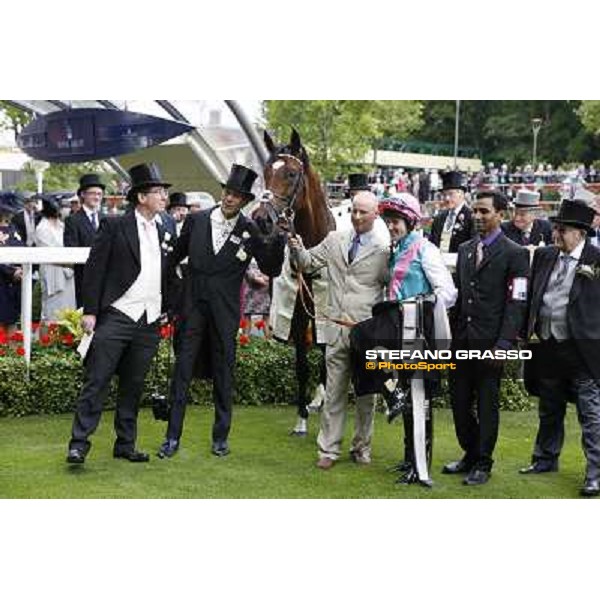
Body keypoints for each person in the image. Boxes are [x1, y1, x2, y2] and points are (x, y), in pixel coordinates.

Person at [156, 164, 285, 460]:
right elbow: (173, 260)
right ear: (222, 192)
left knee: (224, 374)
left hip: (225, 313)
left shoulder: (249, 230)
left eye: (237, 196)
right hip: (192, 309)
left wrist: (277, 237)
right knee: (182, 372)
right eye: (228, 192)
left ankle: (220, 438)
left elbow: (270, 268)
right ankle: (171, 437)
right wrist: (174, 301)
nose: (230, 198)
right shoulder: (196, 220)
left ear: (243, 201)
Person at [66, 163, 173, 465]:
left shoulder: (166, 226)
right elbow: (95, 269)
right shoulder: (114, 225)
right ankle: (78, 444)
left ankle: (125, 444)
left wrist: (168, 308)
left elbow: (167, 273)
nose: (164, 196)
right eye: (158, 192)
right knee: (97, 380)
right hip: (117, 315)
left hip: (149, 320)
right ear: (141, 197)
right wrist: (90, 312)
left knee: (133, 385)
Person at [289, 191, 389, 469]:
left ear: (375, 214)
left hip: (365, 332)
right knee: (333, 392)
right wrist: (296, 247)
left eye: (363, 212)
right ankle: (328, 450)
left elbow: (391, 288)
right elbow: (306, 263)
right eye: (354, 211)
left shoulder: (384, 251)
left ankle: (361, 448)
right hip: (335, 328)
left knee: (366, 395)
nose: (357, 217)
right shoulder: (334, 240)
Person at [443, 190, 529, 485]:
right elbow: (459, 298)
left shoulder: (515, 254)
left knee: (487, 404)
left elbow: (517, 303)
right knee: (459, 401)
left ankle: (483, 462)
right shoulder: (466, 249)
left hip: (492, 344)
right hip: (461, 342)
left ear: (500, 215)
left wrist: (503, 345)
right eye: (475, 211)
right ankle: (470, 452)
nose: (477, 216)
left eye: (484, 212)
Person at [520, 200, 600, 497]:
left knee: (590, 413)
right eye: (556, 227)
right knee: (549, 407)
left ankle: (596, 474)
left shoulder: (596, 258)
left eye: (562, 229)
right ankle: (545, 459)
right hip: (548, 342)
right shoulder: (545, 255)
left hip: (583, 349)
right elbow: (534, 295)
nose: (556, 233)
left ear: (580, 233)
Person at [378, 193, 457, 484]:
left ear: (410, 221)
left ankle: (419, 466)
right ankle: (409, 457)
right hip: (398, 334)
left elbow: (448, 293)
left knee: (419, 400)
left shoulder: (426, 249)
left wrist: (416, 304)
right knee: (405, 398)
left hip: (420, 337)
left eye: (396, 221)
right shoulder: (396, 249)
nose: (392, 226)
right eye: (389, 221)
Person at [63, 173, 105, 308]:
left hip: (106, 279)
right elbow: (71, 250)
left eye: (99, 194)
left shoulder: (106, 218)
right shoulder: (73, 220)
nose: (97, 197)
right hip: (85, 280)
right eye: (93, 193)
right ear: (82, 195)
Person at [35, 196, 76, 322]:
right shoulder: (42, 228)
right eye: (60, 207)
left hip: (68, 273)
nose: (63, 210)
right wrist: (71, 263)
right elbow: (49, 254)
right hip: (52, 272)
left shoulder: (62, 225)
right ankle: (48, 341)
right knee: (51, 312)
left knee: (69, 311)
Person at [428, 171, 476, 253]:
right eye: (444, 194)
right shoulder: (439, 218)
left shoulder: (471, 217)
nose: (447, 198)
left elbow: (473, 245)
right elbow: (432, 243)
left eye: (451, 194)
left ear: (461, 194)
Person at [0, 200, 24, 331]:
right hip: (2, 280)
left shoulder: (13, 228)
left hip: (14, 284)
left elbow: (23, 248)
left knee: (13, 321)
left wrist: (21, 270)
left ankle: (13, 352)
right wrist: (11, 272)